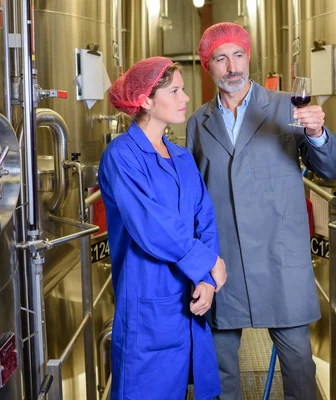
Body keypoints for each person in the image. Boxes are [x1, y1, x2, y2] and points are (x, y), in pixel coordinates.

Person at [186, 23, 336, 399]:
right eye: (221, 59)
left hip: (280, 261)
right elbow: (193, 198)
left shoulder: (289, 107)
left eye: (238, 55)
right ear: (207, 66)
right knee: (221, 374)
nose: (232, 67)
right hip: (222, 264)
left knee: (299, 372)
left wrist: (318, 134)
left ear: (249, 57)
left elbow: (332, 168)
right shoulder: (197, 122)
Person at [98, 56, 227, 400]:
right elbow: (151, 225)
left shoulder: (182, 156)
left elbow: (205, 218)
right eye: (175, 91)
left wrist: (207, 278)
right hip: (147, 303)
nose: (185, 98)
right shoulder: (122, 155)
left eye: (183, 90)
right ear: (146, 101)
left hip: (190, 298)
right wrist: (207, 262)